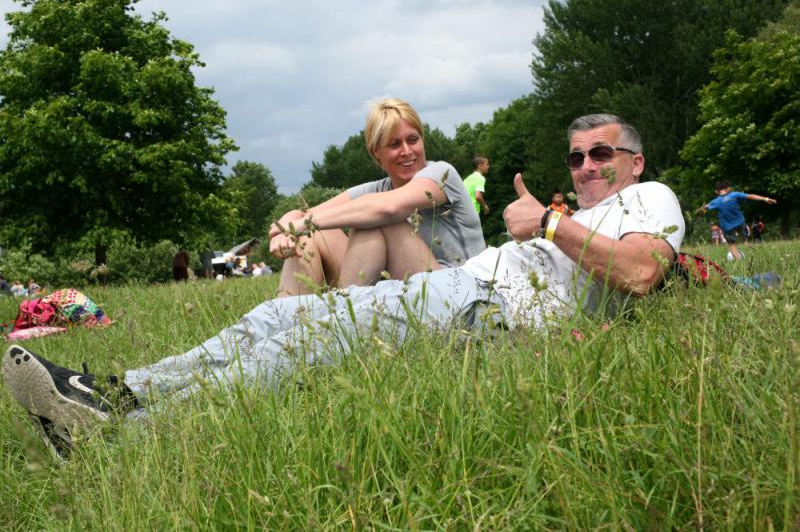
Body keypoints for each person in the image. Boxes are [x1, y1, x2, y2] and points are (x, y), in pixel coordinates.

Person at [2, 114, 685, 460]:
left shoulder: (652, 198)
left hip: (489, 307)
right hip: (468, 292)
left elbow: (640, 272)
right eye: (577, 155)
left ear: (636, 161)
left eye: (602, 153)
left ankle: (126, 436)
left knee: (316, 334)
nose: (588, 164)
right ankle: (116, 391)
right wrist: (293, 221)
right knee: (282, 321)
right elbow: (364, 206)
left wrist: (553, 220)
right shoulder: (585, 210)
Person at [269, 98, 485, 297]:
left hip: (460, 295)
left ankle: (343, 321)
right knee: (311, 235)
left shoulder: (441, 174)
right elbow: (307, 216)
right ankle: (289, 323)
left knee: (376, 218)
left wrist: (297, 225)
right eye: (394, 144)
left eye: (413, 140)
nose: (407, 151)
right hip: (406, 293)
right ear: (376, 153)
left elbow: (387, 209)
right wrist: (286, 227)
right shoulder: (377, 189)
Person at [695, 182, 776, 260]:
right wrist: (766, 199)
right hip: (741, 224)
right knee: (745, 240)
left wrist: (698, 211)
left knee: (732, 247)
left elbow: (704, 208)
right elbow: (751, 196)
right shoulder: (735, 194)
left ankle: (741, 261)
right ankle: (752, 253)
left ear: (716, 191)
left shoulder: (716, 202)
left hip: (728, 228)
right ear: (728, 188)